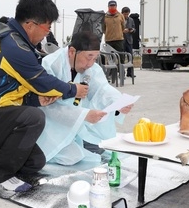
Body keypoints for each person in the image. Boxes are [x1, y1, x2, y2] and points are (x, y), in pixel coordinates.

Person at [0, 0, 88, 192]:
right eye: (47, 27)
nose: (47, 33)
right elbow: (42, 81)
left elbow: (9, 89)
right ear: (30, 25)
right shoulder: (12, 46)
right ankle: (0, 176)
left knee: (35, 162)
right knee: (33, 118)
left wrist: (36, 99)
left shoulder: (13, 41)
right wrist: (72, 89)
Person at [37, 30, 133, 165]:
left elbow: (102, 90)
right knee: (72, 157)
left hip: (76, 120)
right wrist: (83, 115)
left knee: (105, 147)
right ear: (72, 52)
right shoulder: (51, 65)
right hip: (54, 126)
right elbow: (49, 106)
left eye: (95, 58)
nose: (90, 63)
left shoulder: (91, 68)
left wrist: (118, 103)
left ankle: (81, 140)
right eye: (89, 57)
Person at [121, 6, 135, 78]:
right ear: (122, 13)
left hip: (129, 40)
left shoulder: (131, 20)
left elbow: (134, 28)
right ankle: (122, 73)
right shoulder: (120, 19)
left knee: (130, 57)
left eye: (127, 14)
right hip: (122, 40)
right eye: (125, 14)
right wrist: (123, 30)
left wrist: (132, 30)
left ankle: (130, 72)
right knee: (122, 57)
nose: (126, 16)